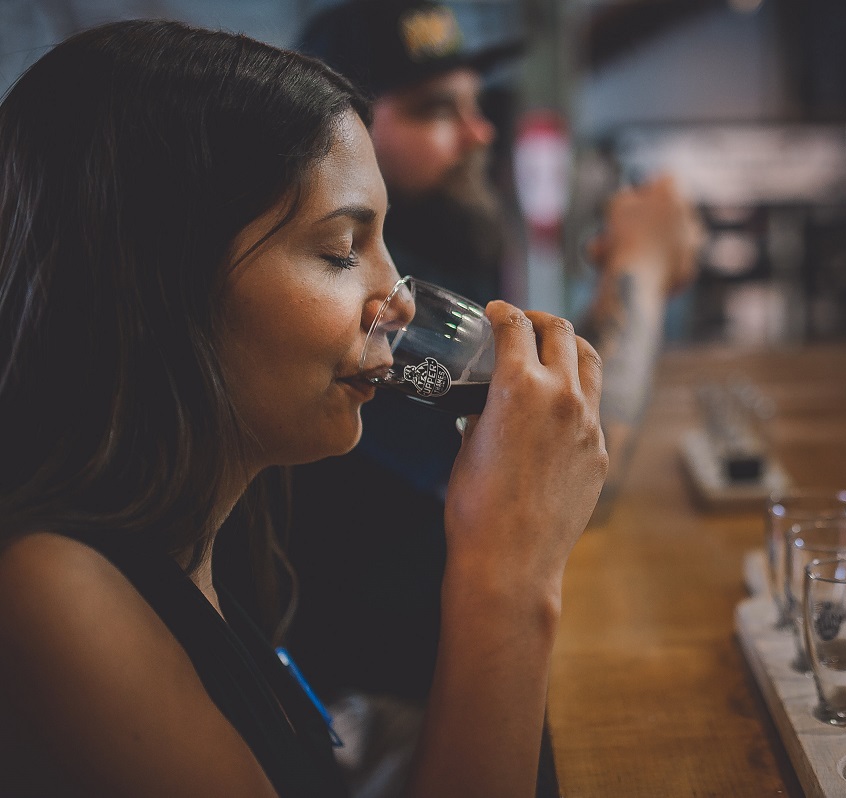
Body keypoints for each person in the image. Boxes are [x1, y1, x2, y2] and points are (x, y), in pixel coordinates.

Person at [0, 18, 606, 798]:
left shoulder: (210, 535)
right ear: (159, 281)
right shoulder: (52, 591)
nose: (393, 299)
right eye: (340, 251)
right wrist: (509, 577)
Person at [238, 2, 702, 792]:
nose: (480, 133)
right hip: (395, 704)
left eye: (475, 106)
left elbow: (534, 412)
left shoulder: (418, 264)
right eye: (432, 110)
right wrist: (643, 276)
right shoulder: (355, 312)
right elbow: (575, 462)